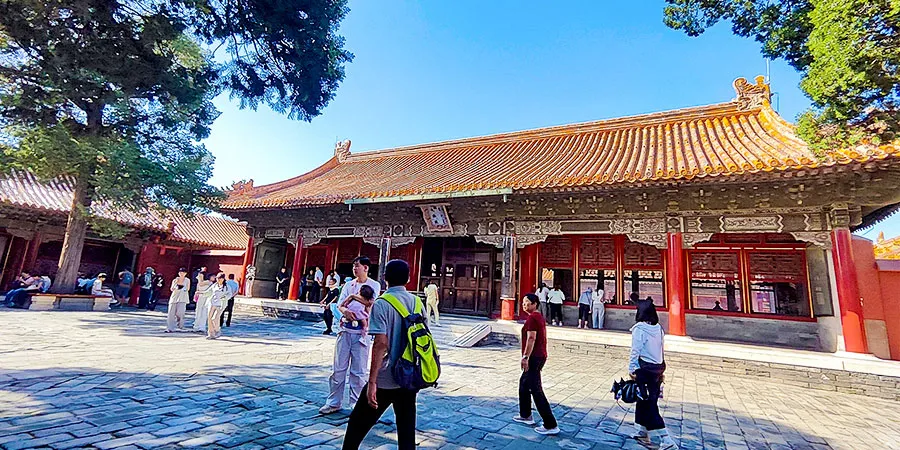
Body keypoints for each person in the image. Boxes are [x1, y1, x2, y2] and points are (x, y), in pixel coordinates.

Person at [342, 259, 419, 449]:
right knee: (406, 430)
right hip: (409, 375)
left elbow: (380, 344)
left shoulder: (382, 303)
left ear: (385, 279)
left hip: (386, 376)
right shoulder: (417, 302)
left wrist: (373, 382)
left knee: (357, 426)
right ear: (408, 278)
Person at [320, 256, 381, 415]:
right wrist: (345, 311)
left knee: (358, 371)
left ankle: (356, 404)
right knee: (338, 369)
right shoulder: (348, 284)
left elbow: (370, 304)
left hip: (362, 332)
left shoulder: (374, 285)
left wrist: (354, 298)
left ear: (366, 268)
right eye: (354, 266)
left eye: (357, 266)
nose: (355, 269)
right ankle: (334, 402)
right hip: (345, 329)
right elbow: (340, 304)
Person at [629, 300, 678, 450]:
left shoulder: (639, 329)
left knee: (649, 404)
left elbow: (635, 350)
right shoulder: (658, 328)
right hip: (657, 368)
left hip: (644, 369)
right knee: (643, 400)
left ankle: (666, 439)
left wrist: (632, 368)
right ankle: (642, 431)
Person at [512, 293, 560, 435]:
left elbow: (531, 338)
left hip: (534, 357)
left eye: (527, 302)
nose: (524, 305)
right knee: (524, 385)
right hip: (538, 355)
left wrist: (525, 357)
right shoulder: (537, 317)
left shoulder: (533, 317)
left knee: (536, 390)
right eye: (523, 302)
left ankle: (550, 424)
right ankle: (526, 415)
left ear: (535, 304)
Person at [206, 273, 230, 339]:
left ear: (223, 279)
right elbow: (208, 292)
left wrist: (225, 297)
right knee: (209, 318)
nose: (218, 280)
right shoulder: (214, 285)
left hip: (220, 304)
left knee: (215, 318)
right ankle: (211, 333)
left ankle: (217, 330)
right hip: (212, 302)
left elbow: (229, 294)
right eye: (217, 278)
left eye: (219, 278)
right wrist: (201, 293)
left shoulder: (226, 286)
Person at [166, 268, 190, 332]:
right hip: (174, 297)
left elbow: (187, 288)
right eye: (180, 273)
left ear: (185, 274)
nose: (181, 274)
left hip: (183, 297)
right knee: (171, 313)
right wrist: (176, 283)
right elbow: (172, 288)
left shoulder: (187, 280)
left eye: (183, 273)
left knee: (180, 312)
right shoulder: (175, 280)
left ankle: (180, 325)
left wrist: (182, 287)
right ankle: (169, 328)